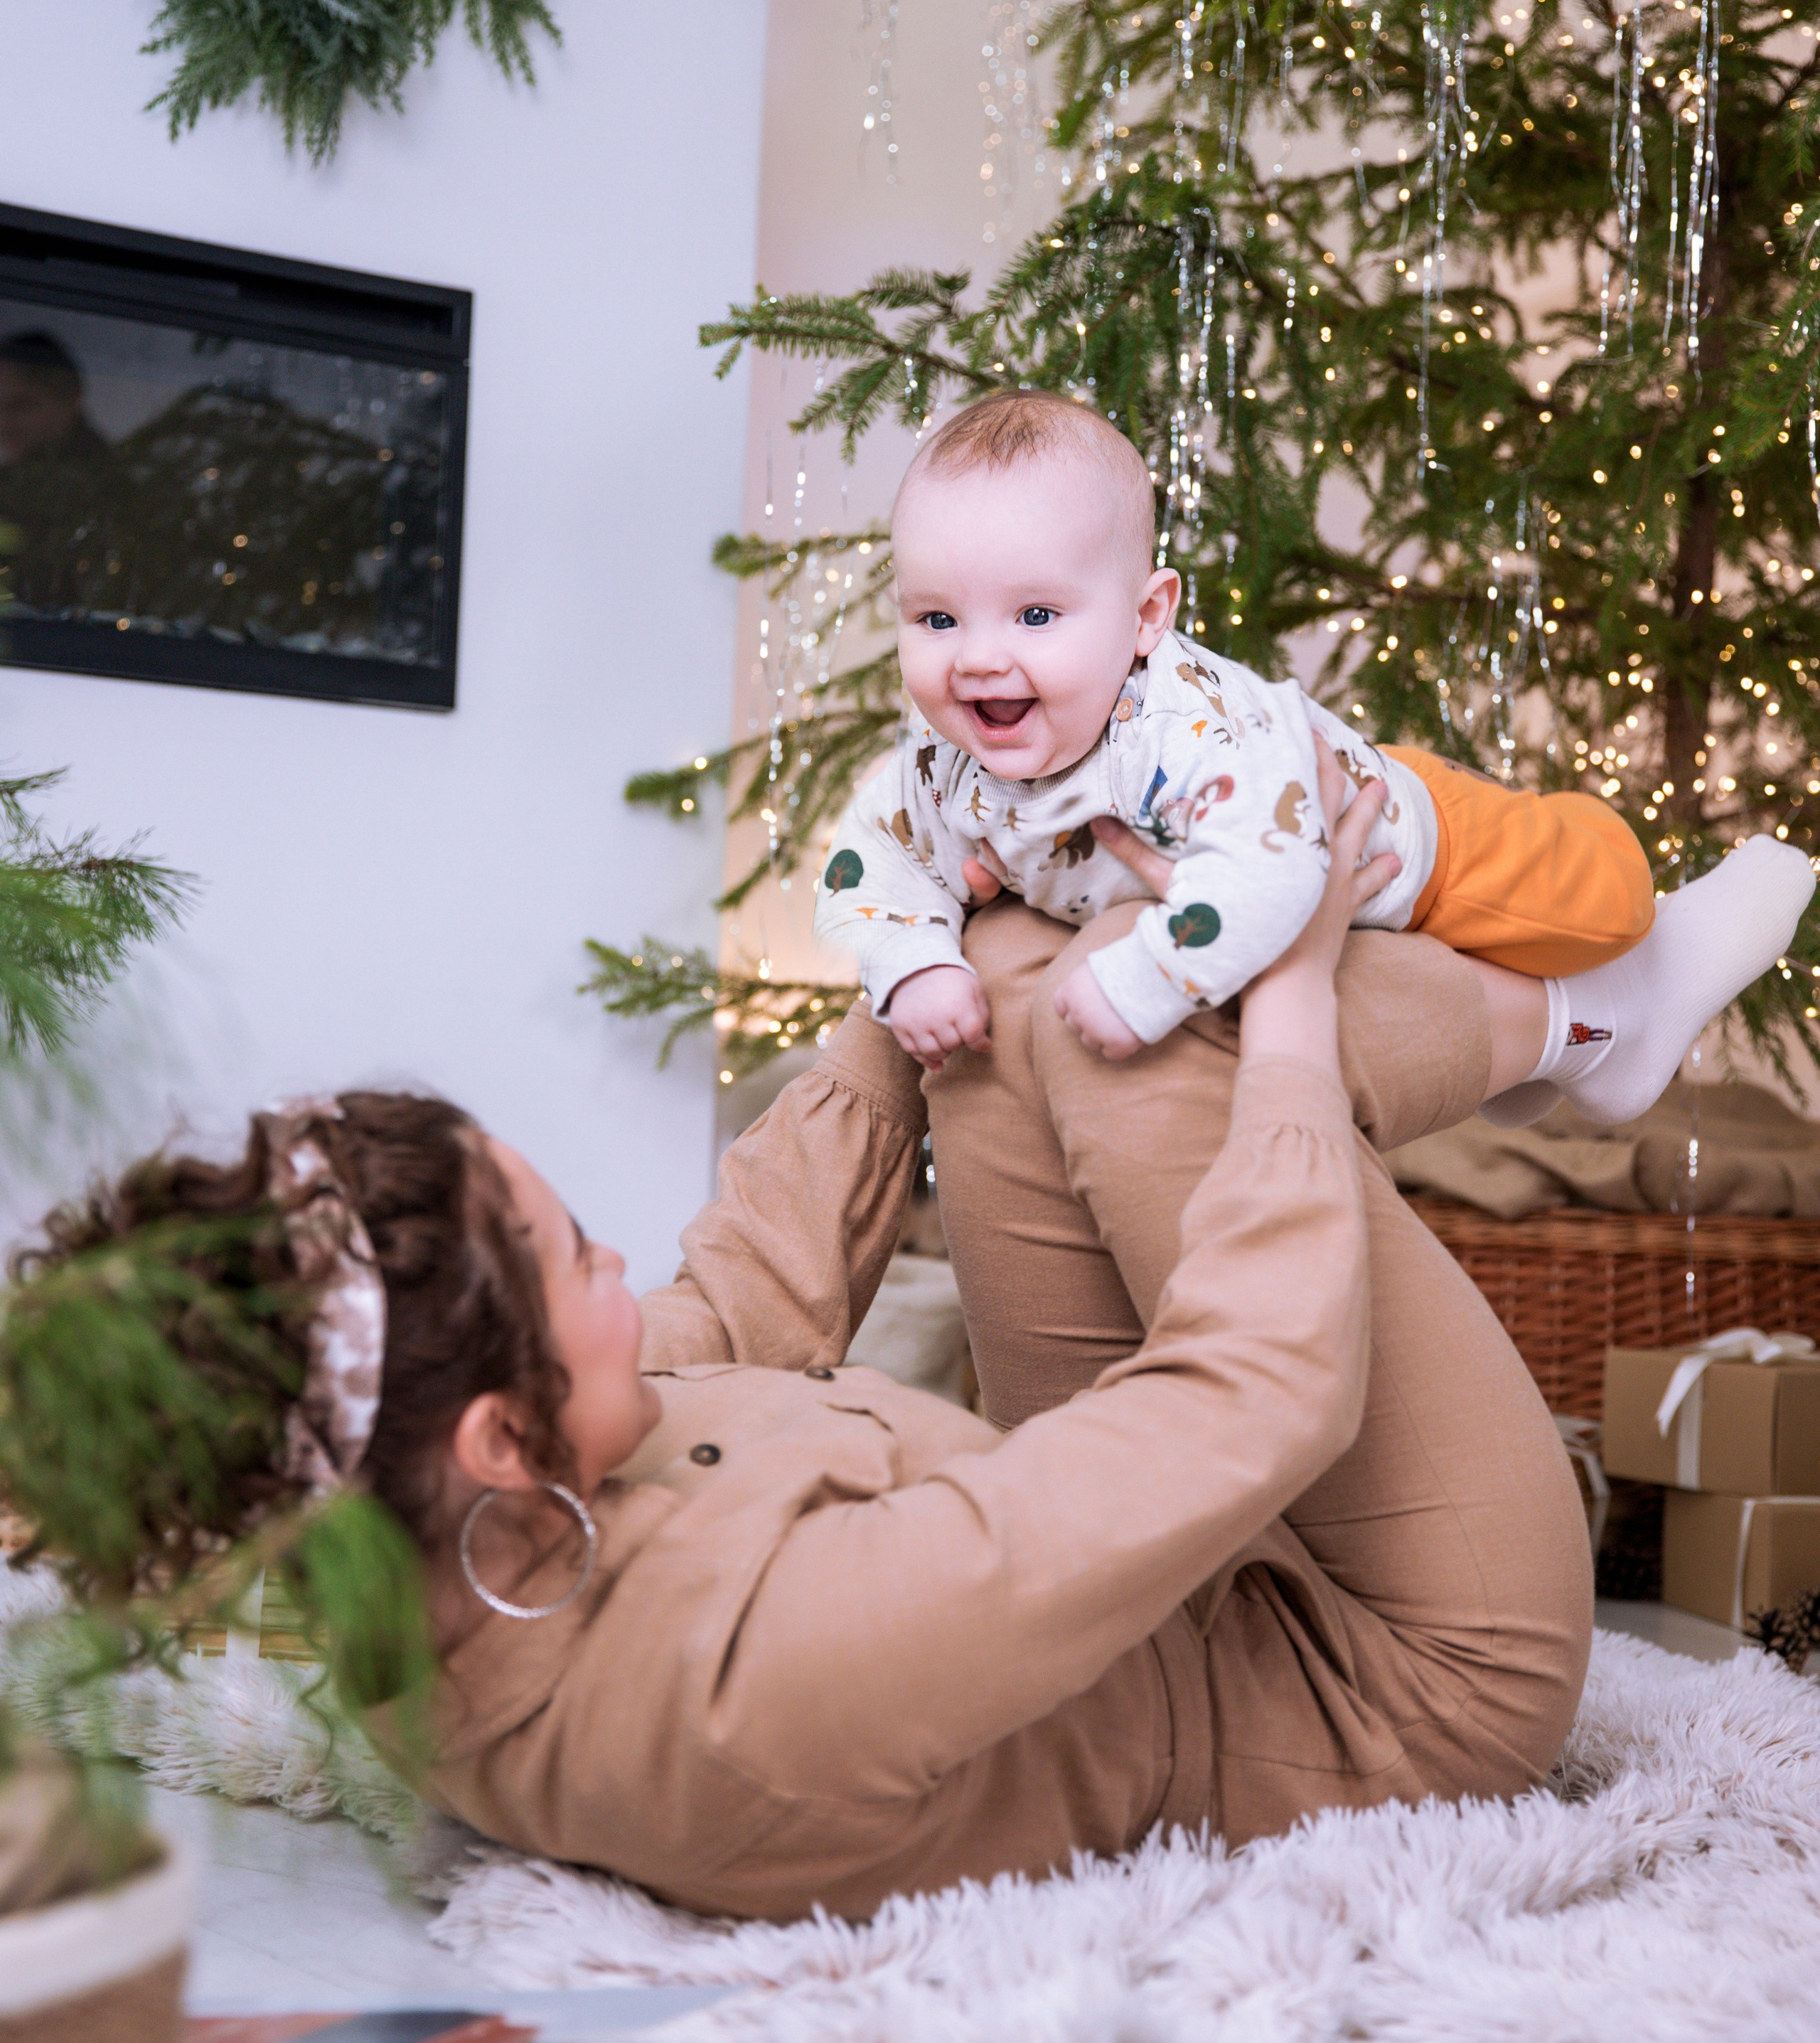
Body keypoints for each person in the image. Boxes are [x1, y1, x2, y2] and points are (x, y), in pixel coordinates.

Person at [11, 759, 1592, 1924]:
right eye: (573, 1256)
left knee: (1010, 981)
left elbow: (736, 1299)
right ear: (501, 1437)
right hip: (1389, 1677)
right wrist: (1295, 996)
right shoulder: (764, 1674)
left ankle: (1567, 1029)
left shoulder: (436, 1507)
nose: (616, 1260)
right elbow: (1255, 1398)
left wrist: (914, 951)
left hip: (1190, 1571)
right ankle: (1591, 1023)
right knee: (1167, 1037)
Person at [817, 390, 1814, 1129]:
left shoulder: (1178, 736)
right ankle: (1575, 1044)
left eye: (1036, 615)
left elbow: (1271, 871)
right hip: (1316, 870)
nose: (979, 656)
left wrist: (1147, 980)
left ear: (1146, 617)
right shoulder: (940, 767)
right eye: (937, 619)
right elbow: (872, 863)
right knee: (1385, 989)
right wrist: (914, 967)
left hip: (1407, 835)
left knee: (1601, 897)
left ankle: (1657, 956)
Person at [0, 329, 127, 614]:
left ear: (69, 399)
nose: (4, 424)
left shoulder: (108, 494)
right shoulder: (12, 486)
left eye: (20, 406)